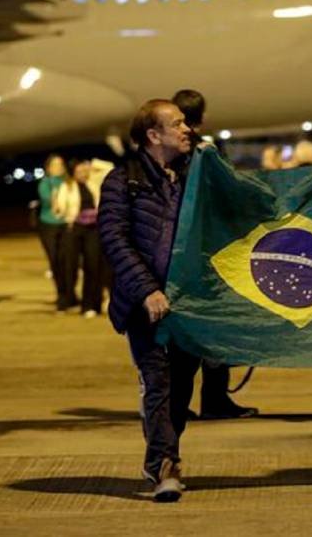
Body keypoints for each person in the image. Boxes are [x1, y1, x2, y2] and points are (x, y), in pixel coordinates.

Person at [97, 99, 201, 502]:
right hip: (144, 306)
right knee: (157, 382)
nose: (186, 129)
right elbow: (113, 239)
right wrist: (147, 290)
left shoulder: (193, 176)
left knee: (180, 390)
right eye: (177, 124)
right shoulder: (122, 180)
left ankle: (161, 455)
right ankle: (164, 466)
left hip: (188, 306)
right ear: (153, 135)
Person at [171, 89, 257, 421]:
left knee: (183, 334)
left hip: (178, 253)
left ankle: (177, 404)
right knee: (215, 330)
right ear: (203, 118)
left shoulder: (169, 152)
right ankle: (214, 399)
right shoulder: (208, 151)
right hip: (211, 252)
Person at [55, 158, 112, 317]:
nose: (83, 174)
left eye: (84, 171)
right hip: (74, 229)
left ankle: (90, 305)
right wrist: (68, 217)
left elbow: (108, 167)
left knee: (93, 266)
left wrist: (91, 164)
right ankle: (65, 301)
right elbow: (60, 208)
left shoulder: (93, 183)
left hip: (93, 229)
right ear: (73, 173)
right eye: (79, 171)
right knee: (69, 266)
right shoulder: (67, 187)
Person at [37, 154, 72, 309]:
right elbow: (48, 199)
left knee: (67, 261)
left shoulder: (70, 182)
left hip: (65, 225)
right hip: (48, 225)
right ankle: (61, 295)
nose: (58, 167)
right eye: (54, 165)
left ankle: (69, 294)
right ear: (48, 168)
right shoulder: (45, 183)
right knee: (55, 261)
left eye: (60, 164)